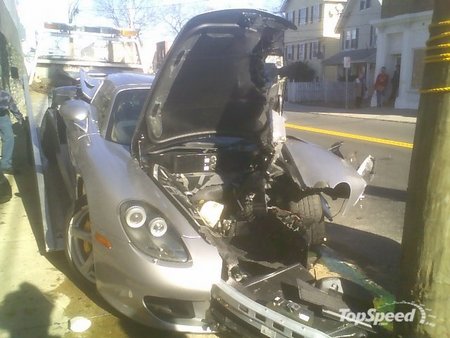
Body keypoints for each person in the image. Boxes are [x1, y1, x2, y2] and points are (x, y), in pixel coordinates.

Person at [0, 88, 24, 174]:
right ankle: (5, 164)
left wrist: (20, 118)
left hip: (2, 116)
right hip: (2, 116)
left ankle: (5, 165)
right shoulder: (5, 94)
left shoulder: (5, 95)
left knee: (9, 138)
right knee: (9, 138)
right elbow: (13, 107)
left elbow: (12, 107)